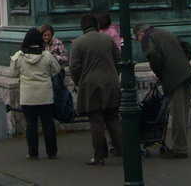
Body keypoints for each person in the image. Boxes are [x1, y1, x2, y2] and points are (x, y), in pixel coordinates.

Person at [134, 23, 191, 159]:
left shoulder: (147, 38)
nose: (139, 42)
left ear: (140, 34)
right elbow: (188, 47)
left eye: (136, 39)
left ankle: (180, 149)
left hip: (173, 78)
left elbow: (153, 56)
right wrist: (181, 63)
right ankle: (181, 145)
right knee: (184, 112)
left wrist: (161, 72)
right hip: (186, 74)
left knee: (177, 113)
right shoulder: (166, 32)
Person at [70, 12, 122, 165]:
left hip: (91, 85)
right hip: (111, 82)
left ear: (82, 26)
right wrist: (113, 74)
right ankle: (124, 150)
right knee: (113, 118)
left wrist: (81, 81)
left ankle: (99, 156)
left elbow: (74, 67)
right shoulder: (108, 39)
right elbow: (119, 59)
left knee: (96, 121)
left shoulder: (78, 43)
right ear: (97, 25)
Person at [9, 28, 61, 160]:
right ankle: (52, 151)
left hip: (28, 95)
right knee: (48, 123)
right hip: (45, 94)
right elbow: (56, 70)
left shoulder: (19, 56)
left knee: (31, 124)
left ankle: (33, 152)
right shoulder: (47, 55)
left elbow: (13, 73)